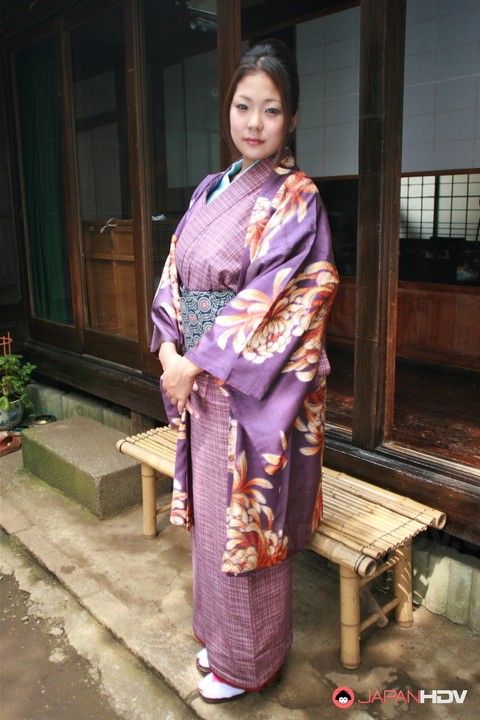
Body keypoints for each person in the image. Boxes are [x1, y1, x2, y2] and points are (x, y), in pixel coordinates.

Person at [151, 39, 339, 704]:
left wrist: (197, 360)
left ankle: (251, 660)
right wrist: (173, 356)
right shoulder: (210, 189)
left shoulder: (298, 198)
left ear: (290, 121)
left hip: (255, 394)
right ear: (227, 110)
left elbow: (293, 298)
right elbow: (174, 275)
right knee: (212, 521)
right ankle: (218, 637)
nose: (254, 122)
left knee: (248, 523)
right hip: (199, 385)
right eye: (243, 106)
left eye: (270, 110)